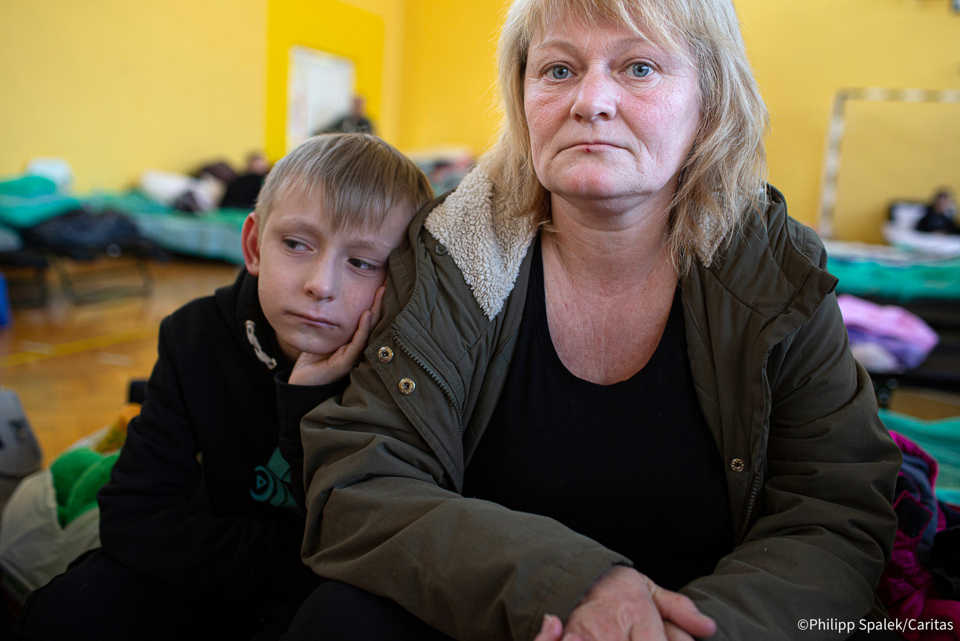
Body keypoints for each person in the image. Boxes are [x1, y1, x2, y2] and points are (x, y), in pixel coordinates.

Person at [283, 1, 903, 640]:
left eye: (638, 67)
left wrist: (694, 632)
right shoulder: (450, 255)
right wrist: (570, 586)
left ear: (710, 102)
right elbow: (362, 482)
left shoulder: (774, 269)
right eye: (557, 70)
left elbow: (836, 511)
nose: (592, 101)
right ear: (522, 94)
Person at [15, 134, 434, 641]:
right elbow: (132, 517)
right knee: (70, 607)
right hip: (210, 576)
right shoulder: (193, 335)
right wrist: (292, 559)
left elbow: (365, 547)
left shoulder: (407, 370)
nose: (321, 284)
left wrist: (306, 401)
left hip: (302, 598)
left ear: (404, 278)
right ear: (255, 246)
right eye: (297, 244)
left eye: (362, 262)